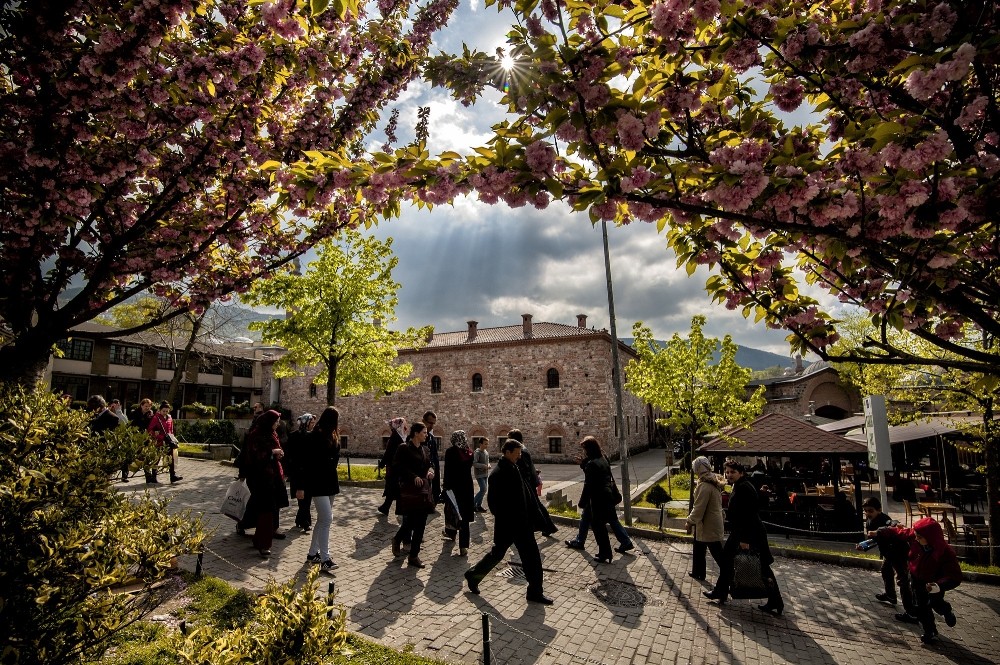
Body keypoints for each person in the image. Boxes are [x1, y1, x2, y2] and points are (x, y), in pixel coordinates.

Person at [464, 438, 553, 605]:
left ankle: (534, 591)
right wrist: (512, 520)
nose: (519, 456)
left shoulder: (513, 467)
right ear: (507, 452)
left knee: (528, 557)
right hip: (512, 525)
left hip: (521, 524)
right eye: (517, 454)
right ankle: (474, 576)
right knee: (508, 555)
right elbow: (494, 504)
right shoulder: (498, 474)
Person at [704, 460, 784, 616]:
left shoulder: (744, 488)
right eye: (727, 472)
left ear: (741, 472)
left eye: (732, 472)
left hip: (749, 533)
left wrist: (745, 540)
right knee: (728, 561)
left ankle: (776, 600)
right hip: (742, 532)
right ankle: (721, 591)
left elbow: (748, 515)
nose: (729, 475)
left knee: (761, 567)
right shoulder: (741, 485)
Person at [885, 517, 962, 643]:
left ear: (930, 538)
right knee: (921, 606)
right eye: (916, 536)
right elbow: (904, 533)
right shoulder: (916, 540)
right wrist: (884, 531)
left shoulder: (944, 552)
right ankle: (930, 632)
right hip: (917, 578)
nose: (916, 539)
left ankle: (946, 610)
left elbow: (954, 576)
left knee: (935, 603)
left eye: (920, 537)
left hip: (934, 584)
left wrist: (938, 585)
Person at [241, 409, 289, 557]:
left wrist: (279, 453)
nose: (278, 424)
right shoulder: (256, 435)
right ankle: (264, 543)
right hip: (260, 477)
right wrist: (272, 452)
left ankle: (258, 538)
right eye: (276, 422)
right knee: (266, 511)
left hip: (273, 476)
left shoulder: (272, 433)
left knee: (268, 509)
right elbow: (255, 456)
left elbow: (276, 449)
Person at [300, 407, 341, 573]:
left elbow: (335, 454)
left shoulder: (332, 434)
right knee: (327, 519)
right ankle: (325, 558)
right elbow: (306, 462)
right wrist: (301, 486)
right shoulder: (315, 435)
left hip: (330, 481)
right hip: (318, 482)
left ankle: (312, 554)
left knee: (322, 520)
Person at [857, 497, 912, 612]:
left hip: (898, 552)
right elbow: (876, 540)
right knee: (886, 571)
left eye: (871, 511)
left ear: (879, 510)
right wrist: (864, 546)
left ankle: (911, 611)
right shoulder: (869, 522)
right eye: (866, 511)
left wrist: (879, 531)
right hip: (888, 552)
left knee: (902, 580)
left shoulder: (884, 519)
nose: (868, 513)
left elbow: (893, 525)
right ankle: (890, 595)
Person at [392, 421, 434, 568]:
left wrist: (430, 472)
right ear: (416, 433)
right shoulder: (404, 448)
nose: (426, 435)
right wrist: (412, 476)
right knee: (409, 522)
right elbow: (397, 466)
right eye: (424, 432)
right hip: (409, 491)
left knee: (421, 523)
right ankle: (397, 539)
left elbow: (429, 464)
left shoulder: (425, 450)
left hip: (422, 491)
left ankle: (414, 555)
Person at [506, 429, 557, 536]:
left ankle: (547, 526)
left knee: (535, 505)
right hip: (528, 482)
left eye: (509, 438)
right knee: (535, 505)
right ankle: (547, 527)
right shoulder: (522, 449)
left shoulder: (521, 451)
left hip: (527, 483)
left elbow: (525, 468)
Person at [578, 436, 617, 564]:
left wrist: (582, 502)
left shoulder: (592, 464)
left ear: (589, 449)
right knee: (601, 526)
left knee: (598, 526)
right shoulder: (603, 459)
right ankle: (606, 553)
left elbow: (588, 485)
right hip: (607, 496)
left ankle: (605, 553)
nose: (584, 451)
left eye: (585, 449)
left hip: (598, 498)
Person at [686, 456, 725, 581]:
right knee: (698, 546)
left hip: (709, 524)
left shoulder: (704, 485)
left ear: (697, 469)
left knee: (718, 553)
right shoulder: (712, 481)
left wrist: (689, 521)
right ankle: (698, 572)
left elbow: (699, 507)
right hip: (707, 522)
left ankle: (731, 576)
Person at [443, 430, 475, 556]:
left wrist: (445, 486)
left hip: (454, 487)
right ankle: (463, 546)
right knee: (465, 516)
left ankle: (451, 533)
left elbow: (447, 470)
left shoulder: (450, 452)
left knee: (453, 511)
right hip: (467, 486)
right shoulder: (469, 452)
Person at [285, 412, 315, 533]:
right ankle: (306, 522)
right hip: (298, 472)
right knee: (302, 499)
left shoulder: (311, 435)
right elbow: (290, 455)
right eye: (311, 422)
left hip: (308, 472)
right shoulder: (295, 436)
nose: (313, 425)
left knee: (306, 499)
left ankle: (300, 520)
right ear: (305, 422)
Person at [147, 401, 182, 484]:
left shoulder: (169, 418)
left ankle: (172, 476)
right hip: (159, 441)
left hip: (168, 441)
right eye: (163, 411)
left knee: (171, 458)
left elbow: (171, 429)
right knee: (157, 459)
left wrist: (172, 438)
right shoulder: (156, 418)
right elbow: (150, 430)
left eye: (167, 411)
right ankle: (153, 476)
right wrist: (160, 437)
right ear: (160, 410)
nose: (165, 413)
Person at [378, 417, 407, 515]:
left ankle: (393, 508)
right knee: (395, 487)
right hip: (400, 466)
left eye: (392, 425)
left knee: (393, 486)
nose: (390, 427)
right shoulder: (403, 436)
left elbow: (388, 452)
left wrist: (381, 464)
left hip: (393, 466)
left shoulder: (395, 436)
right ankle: (387, 507)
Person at [128, 398, 155, 483]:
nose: (147, 408)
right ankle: (125, 474)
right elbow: (130, 425)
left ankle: (148, 475)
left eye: (149, 406)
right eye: (146, 406)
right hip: (136, 438)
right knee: (133, 456)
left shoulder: (151, 415)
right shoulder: (134, 413)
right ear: (141, 405)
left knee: (145, 456)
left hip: (146, 438)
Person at [422, 411, 442, 504]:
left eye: (433, 424)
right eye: (430, 423)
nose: (432, 426)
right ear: (423, 421)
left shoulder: (431, 438)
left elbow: (434, 456)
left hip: (431, 471)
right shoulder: (416, 437)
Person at [472, 437, 490, 512]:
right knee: (483, 489)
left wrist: (488, 465)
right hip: (479, 474)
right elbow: (474, 463)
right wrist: (484, 466)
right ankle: (472, 504)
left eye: (487, 444)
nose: (487, 445)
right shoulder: (477, 452)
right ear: (481, 444)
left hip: (485, 474)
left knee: (484, 490)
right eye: (485, 444)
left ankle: (479, 506)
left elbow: (487, 461)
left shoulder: (486, 452)